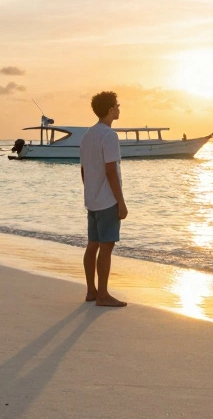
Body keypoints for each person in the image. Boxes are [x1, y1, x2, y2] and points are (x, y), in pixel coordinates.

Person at [80, 91, 128, 307]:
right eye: (117, 106)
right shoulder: (109, 136)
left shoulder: (88, 135)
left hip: (92, 200)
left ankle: (92, 290)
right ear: (110, 110)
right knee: (106, 247)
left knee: (93, 245)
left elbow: (83, 170)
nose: (119, 108)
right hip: (107, 200)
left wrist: (90, 191)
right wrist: (121, 201)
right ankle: (103, 295)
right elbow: (111, 170)